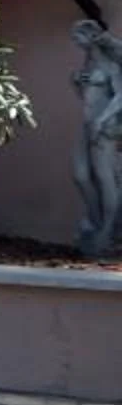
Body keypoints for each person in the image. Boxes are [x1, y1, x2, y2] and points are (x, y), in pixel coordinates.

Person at [72, 19, 122, 258]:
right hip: (87, 124)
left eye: (78, 37)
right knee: (80, 175)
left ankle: (108, 229)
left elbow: (120, 96)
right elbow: (87, 95)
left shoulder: (112, 63)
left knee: (105, 180)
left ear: (90, 38)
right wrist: (76, 82)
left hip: (103, 127)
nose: (76, 42)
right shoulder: (88, 62)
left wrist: (102, 121)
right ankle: (95, 219)